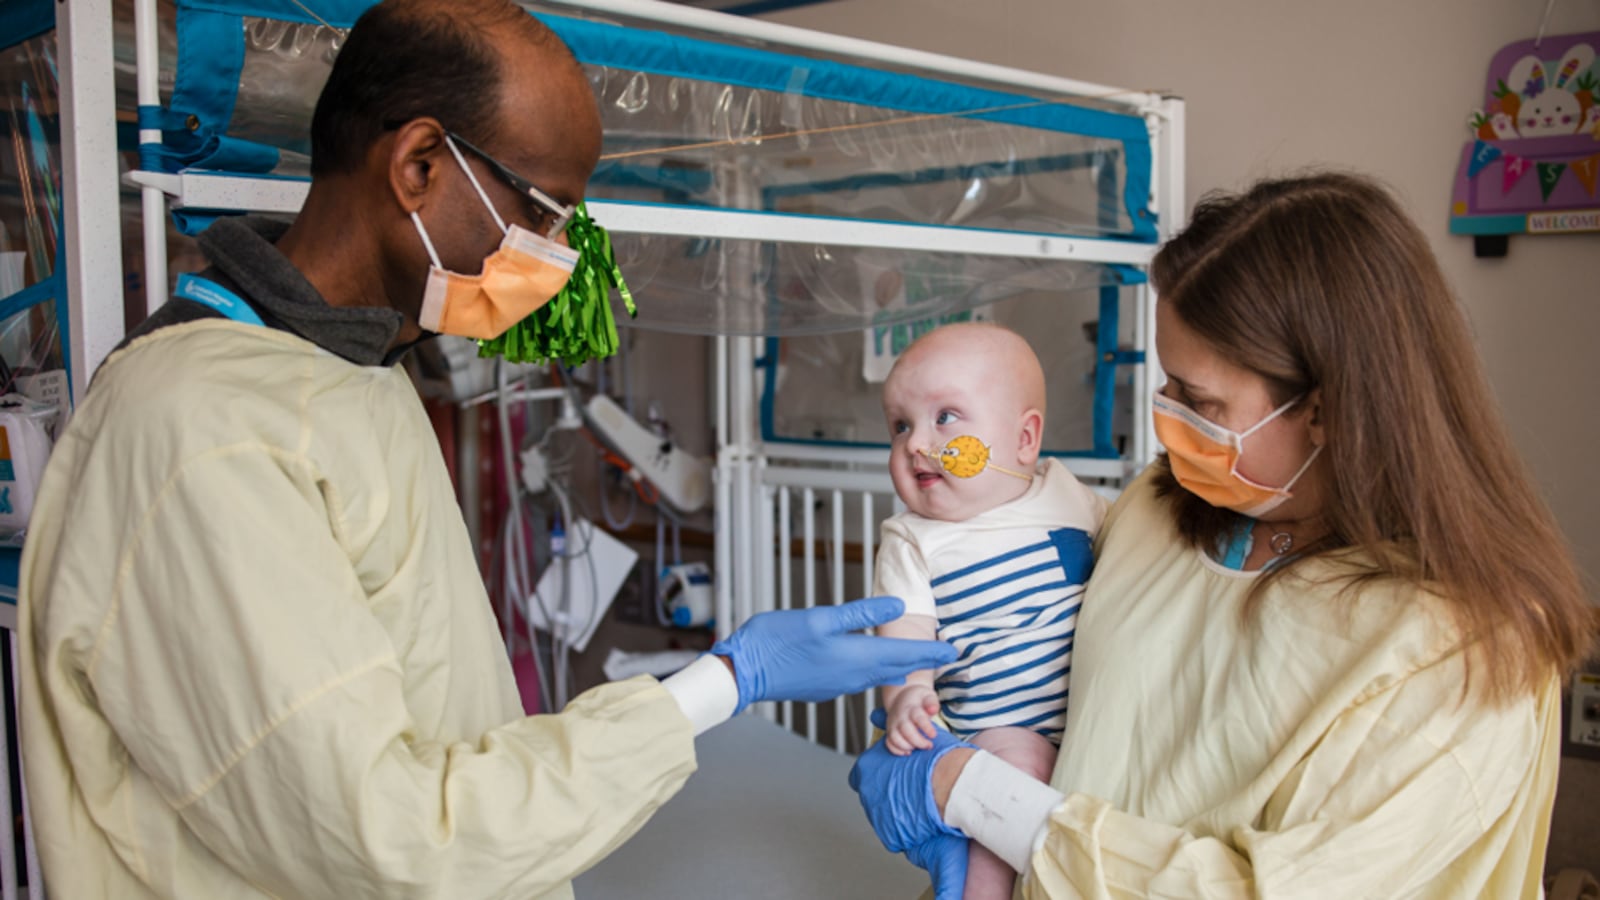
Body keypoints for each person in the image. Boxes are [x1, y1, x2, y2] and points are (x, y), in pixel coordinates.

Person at [17, 2, 956, 897]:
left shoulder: (362, 367)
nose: (553, 256)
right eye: (546, 214)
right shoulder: (201, 427)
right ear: (420, 162)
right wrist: (719, 685)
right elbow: (385, 832)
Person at [849, 171, 1598, 899]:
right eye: (1168, 383)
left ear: (1327, 410)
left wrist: (973, 791)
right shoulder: (1158, 509)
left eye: (1197, 398)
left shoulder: (1462, 654)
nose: (1165, 414)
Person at [873, 322, 1105, 899]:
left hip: (1092, 719)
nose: (916, 444)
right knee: (1012, 788)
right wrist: (907, 696)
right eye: (900, 425)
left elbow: (1132, 554)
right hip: (1001, 728)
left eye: (945, 417)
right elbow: (905, 637)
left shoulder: (1068, 496)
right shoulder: (913, 540)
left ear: (1025, 440)